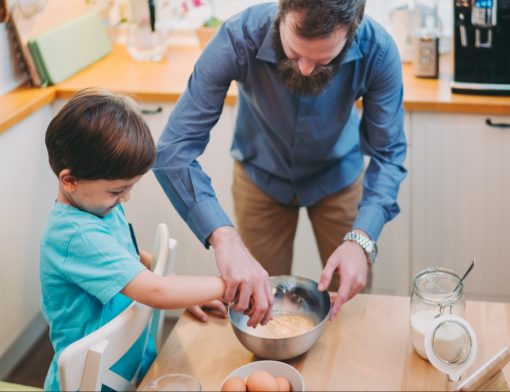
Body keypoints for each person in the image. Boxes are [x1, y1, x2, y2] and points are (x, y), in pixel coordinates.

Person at [153, 0, 407, 326]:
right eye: (293, 51)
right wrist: (224, 238)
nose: (304, 69)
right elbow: (173, 149)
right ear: (282, 12)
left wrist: (363, 239)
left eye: (324, 59)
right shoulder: (238, 37)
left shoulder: (379, 50)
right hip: (260, 175)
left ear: (353, 29)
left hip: (338, 176)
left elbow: (388, 154)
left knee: (351, 305)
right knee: (256, 302)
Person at [40, 88, 226, 391]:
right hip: (90, 379)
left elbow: (125, 257)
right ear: (69, 180)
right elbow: (154, 290)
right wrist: (227, 285)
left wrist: (187, 290)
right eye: (117, 191)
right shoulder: (75, 236)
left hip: (125, 362)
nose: (126, 197)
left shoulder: (97, 207)